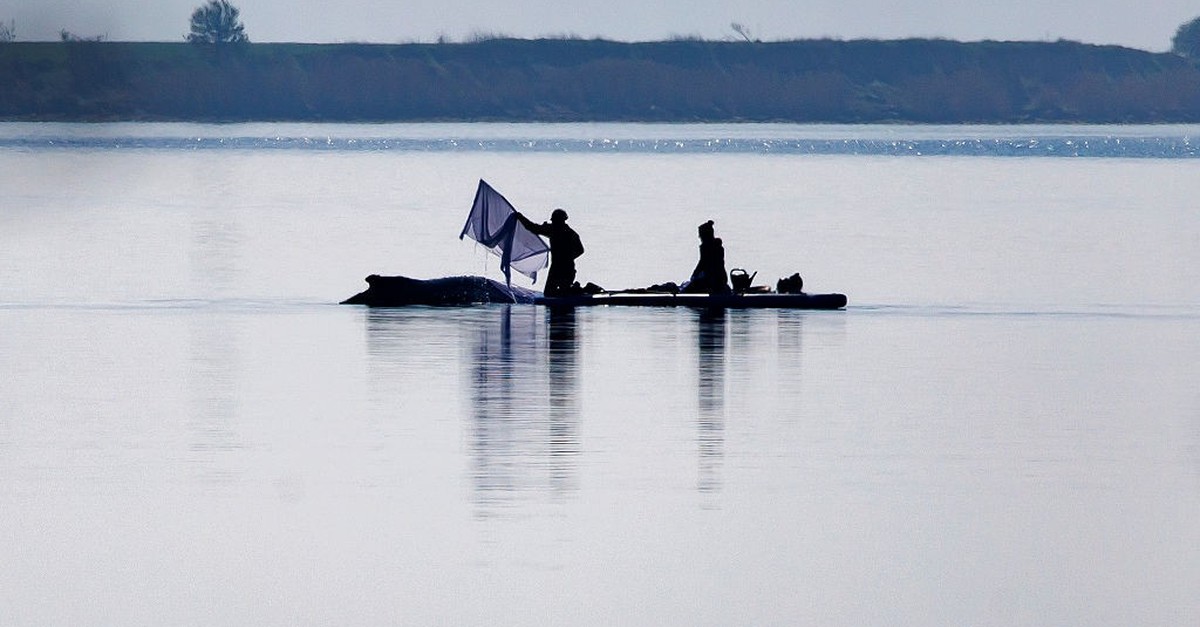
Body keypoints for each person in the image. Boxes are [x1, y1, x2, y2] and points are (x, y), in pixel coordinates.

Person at [515, 208, 584, 296]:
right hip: (560, 267)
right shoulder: (560, 231)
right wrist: (521, 217)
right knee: (551, 293)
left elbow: (580, 250)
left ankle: (576, 289)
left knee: (557, 292)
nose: (554, 222)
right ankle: (572, 289)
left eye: (556, 221)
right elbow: (533, 228)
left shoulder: (562, 232)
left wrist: (566, 259)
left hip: (564, 268)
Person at [683, 220, 731, 294]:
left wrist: (694, 275)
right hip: (722, 279)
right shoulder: (719, 247)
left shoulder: (705, 247)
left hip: (713, 281)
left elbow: (702, 263)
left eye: (700, 235)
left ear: (705, 235)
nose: (699, 237)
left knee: (687, 290)